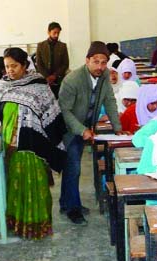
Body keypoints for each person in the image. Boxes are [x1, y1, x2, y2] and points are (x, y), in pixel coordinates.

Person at [0, 47, 67, 239]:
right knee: (15, 186)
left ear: (25, 65)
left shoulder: (39, 87)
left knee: (36, 186)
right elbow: (0, 114)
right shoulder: (3, 86)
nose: (10, 70)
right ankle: (18, 225)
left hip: (35, 146)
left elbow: (52, 113)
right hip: (11, 146)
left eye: (14, 66)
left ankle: (38, 227)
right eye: (7, 67)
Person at [58, 41, 127, 224]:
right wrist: (82, 130)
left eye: (104, 62)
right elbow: (64, 111)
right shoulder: (72, 80)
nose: (100, 66)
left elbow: (110, 101)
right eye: (96, 62)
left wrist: (118, 128)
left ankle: (66, 203)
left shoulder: (104, 75)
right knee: (74, 167)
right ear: (87, 60)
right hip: (69, 129)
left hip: (87, 127)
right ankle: (73, 209)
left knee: (71, 167)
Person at [36, 22, 70, 97]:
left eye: (58, 33)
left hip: (59, 79)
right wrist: (47, 77)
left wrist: (54, 76)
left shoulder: (62, 46)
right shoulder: (40, 46)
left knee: (59, 98)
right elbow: (39, 64)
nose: (56, 35)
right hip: (44, 79)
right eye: (54, 32)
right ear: (48, 32)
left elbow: (65, 64)